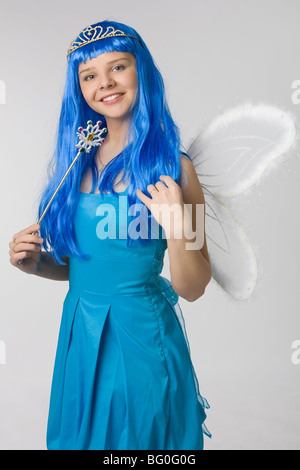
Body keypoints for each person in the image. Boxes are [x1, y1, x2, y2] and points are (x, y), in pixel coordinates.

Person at [8, 20, 212, 450]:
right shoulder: (73, 165)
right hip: (81, 338)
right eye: (89, 76)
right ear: (78, 88)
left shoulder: (177, 169)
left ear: (142, 71)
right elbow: (84, 266)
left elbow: (192, 288)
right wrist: (37, 263)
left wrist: (177, 226)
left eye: (118, 67)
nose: (105, 83)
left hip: (143, 339)